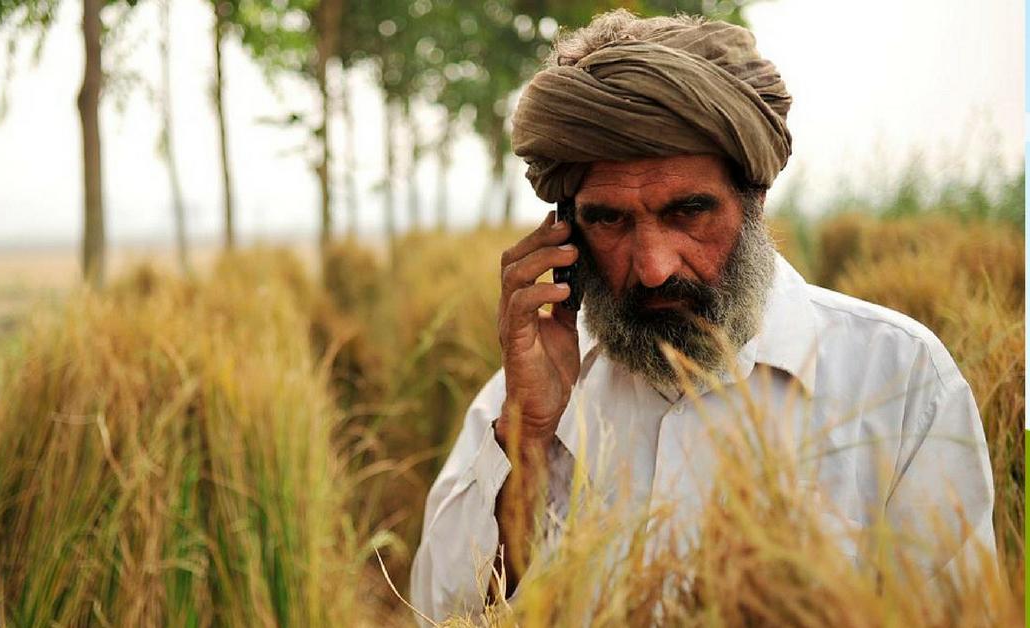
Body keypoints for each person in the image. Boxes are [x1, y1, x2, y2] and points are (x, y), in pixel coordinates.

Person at [408, 10, 996, 624]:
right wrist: (526, 438)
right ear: (567, 232)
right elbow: (438, 610)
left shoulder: (898, 380)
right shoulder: (524, 398)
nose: (655, 267)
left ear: (754, 199)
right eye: (610, 220)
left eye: (688, 211)